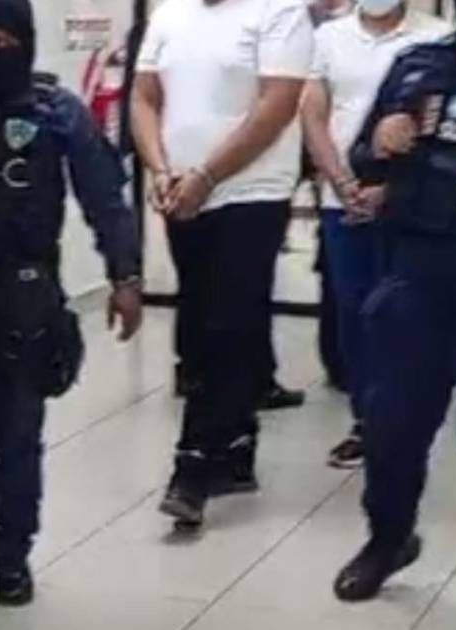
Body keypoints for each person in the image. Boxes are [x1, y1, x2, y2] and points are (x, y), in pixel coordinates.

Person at [0, 0, 144, 616]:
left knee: (18, 437)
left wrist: (124, 275)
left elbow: (105, 196)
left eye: (0, 43)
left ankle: (12, 557)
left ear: (24, 42)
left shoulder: (55, 110)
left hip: (27, 294)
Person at [131, 0, 314, 527]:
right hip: (180, 191)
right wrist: (159, 169)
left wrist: (208, 176)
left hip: (251, 192)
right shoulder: (169, 14)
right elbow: (144, 97)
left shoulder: (280, 12)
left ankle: (192, 466)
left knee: (224, 325)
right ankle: (236, 447)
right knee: (206, 321)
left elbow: (276, 105)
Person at [332, 0, 456, 602]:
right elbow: (362, 157)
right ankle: (388, 539)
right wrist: (381, 143)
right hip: (418, 269)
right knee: (391, 424)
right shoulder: (420, 65)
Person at [300, 0, 451, 469]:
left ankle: (403, 421)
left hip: (410, 204)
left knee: (404, 314)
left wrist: (390, 189)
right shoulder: (329, 37)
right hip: (342, 201)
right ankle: (366, 420)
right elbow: (313, 116)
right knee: (353, 310)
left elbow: (439, 130)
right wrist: (342, 183)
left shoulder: (435, 38)